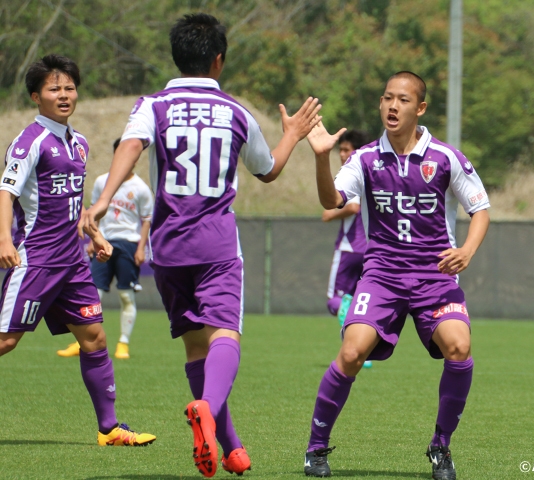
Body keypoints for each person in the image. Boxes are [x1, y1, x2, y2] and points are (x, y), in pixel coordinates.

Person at [82, 14, 322, 478]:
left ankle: (231, 446)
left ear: (177, 56)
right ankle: (207, 411)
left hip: (168, 249)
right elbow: (268, 169)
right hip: (216, 245)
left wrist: (103, 200)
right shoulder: (235, 112)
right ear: (218, 60)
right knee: (226, 337)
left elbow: (130, 148)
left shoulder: (152, 106)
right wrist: (291, 134)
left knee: (196, 348)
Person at [303, 71, 490, 479]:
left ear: (419, 108)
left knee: (459, 348)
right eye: (387, 98)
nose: (392, 106)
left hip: (434, 277)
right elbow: (331, 200)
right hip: (382, 275)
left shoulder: (444, 157)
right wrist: (320, 156)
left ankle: (441, 445)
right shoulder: (366, 159)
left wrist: (467, 251)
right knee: (352, 353)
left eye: (403, 100)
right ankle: (316, 449)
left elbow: (480, 209)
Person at [0, 54, 156, 447]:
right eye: (54, 88)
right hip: (36, 260)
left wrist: (95, 233)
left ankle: (110, 429)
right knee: (5, 341)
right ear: (37, 96)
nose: (64, 94)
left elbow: (75, 205)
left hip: (73, 262)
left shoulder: (80, 143)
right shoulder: (29, 141)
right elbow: (6, 191)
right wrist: (4, 239)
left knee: (95, 339)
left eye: (69, 87)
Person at [57, 137, 154, 360]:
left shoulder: (140, 188)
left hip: (128, 245)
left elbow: (146, 220)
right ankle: (81, 342)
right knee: (92, 294)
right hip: (104, 242)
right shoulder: (102, 182)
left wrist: (141, 248)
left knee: (126, 296)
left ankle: (123, 343)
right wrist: (93, 238)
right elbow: (94, 213)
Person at [322, 130, 372, 368]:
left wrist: (331, 212)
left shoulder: (352, 172)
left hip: (349, 247)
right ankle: (364, 353)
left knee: (335, 301)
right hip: (372, 250)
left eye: (346, 149)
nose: (342, 154)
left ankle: (345, 310)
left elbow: (352, 207)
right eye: (340, 150)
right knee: (363, 302)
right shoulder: (375, 170)